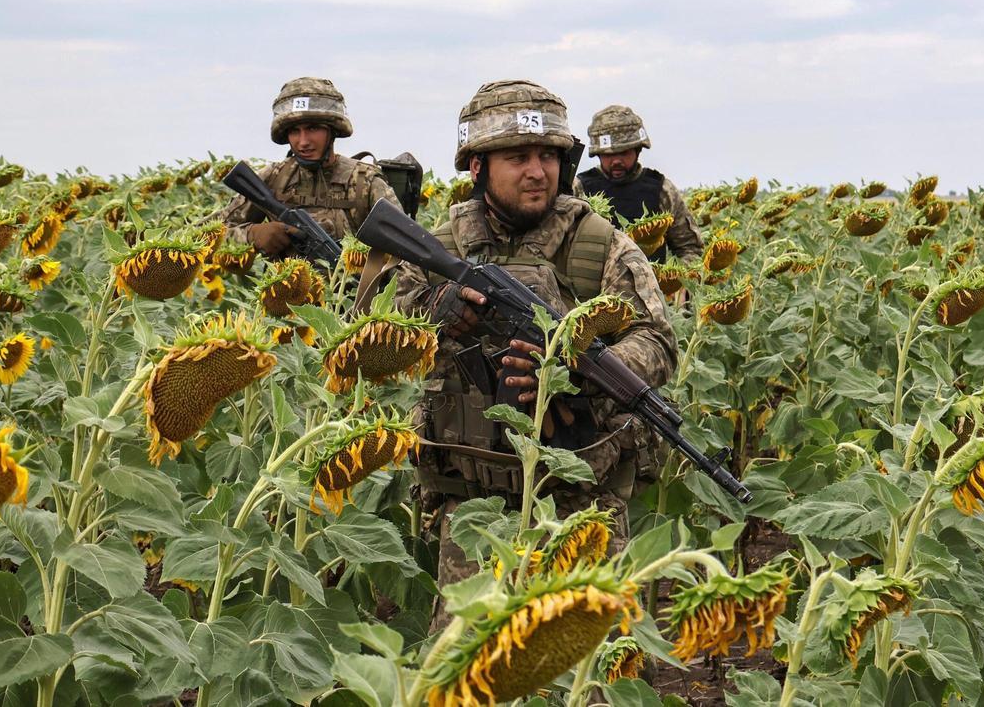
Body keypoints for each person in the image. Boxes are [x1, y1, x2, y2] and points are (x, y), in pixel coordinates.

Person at [387, 80, 679, 627]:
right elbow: (376, 337)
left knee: (588, 670)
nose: (537, 171)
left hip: (576, 501)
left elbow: (658, 342)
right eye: (518, 157)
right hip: (473, 504)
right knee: (464, 669)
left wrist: (577, 368)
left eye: (549, 155)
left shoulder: (599, 245)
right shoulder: (439, 247)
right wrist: (436, 309)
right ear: (476, 167)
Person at [219, 77, 400, 255]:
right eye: (294, 131)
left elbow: (405, 255)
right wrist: (252, 235)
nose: (303, 141)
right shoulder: (273, 178)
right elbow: (206, 237)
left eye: (313, 128)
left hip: (356, 285)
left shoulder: (365, 182)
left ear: (333, 130)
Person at [573, 105, 703, 263]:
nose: (616, 161)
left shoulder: (662, 190)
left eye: (624, 153)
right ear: (598, 154)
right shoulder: (579, 189)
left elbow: (689, 247)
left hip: (651, 286)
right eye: (609, 155)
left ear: (638, 150)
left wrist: (679, 284)